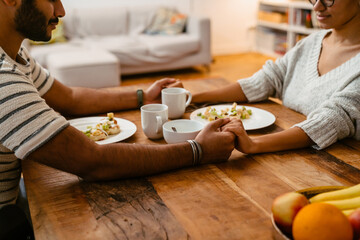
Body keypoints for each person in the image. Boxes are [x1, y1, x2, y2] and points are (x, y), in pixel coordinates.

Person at [0, 0, 236, 221]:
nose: (61, 11)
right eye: (51, 0)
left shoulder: (15, 55)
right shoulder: (3, 79)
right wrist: (199, 150)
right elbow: (92, 161)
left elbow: (70, 98)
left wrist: (143, 96)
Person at [193, 0, 360, 154]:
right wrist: (191, 98)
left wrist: (254, 144)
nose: (317, 6)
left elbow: (331, 120)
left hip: (333, 168)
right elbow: (266, 80)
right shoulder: (310, 42)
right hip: (287, 154)